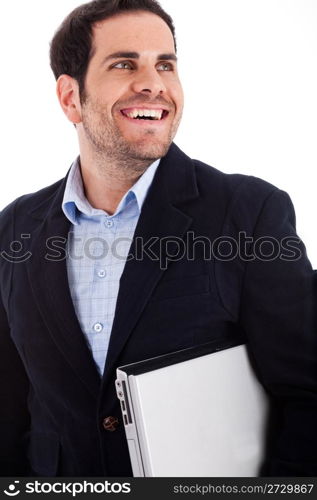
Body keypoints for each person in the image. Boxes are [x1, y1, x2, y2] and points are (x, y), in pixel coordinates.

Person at [0, 0, 316, 477]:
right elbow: (9, 406)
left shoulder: (248, 213)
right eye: (125, 63)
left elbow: (308, 393)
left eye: (165, 64)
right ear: (70, 98)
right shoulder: (14, 229)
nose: (155, 84)